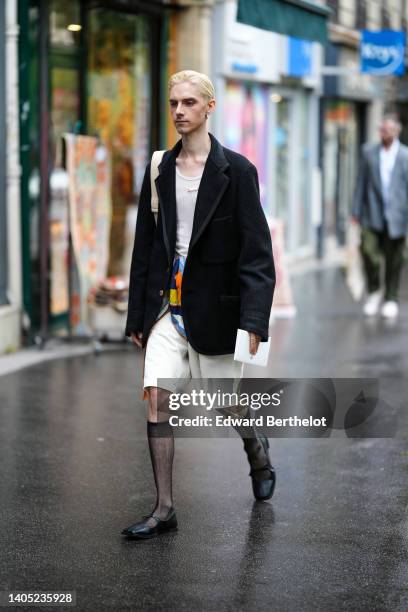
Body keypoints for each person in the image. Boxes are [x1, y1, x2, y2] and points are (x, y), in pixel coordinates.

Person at [121, 70, 276, 539]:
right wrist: (137, 315)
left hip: (217, 308)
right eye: (173, 103)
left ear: (209, 107)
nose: (179, 112)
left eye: (189, 103)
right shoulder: (159, 170)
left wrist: (253, 319)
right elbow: (146, 248)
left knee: (224, 404)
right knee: (156, 398)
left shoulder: (238, 173)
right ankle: (164, 508)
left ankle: (256, 447)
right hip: (168, 307)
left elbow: (256, 253)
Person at [353, 114, 408, 318]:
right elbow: (361, 183)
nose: (383, 133)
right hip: (371, 213)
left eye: (387, 130)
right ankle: (374, 291)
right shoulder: (369, 152)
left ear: (397, 131)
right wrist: (355, 212)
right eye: (381, 129)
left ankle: (391, 297)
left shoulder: (405, 155)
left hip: (398, 216)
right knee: (368, 252)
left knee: (396, 259)